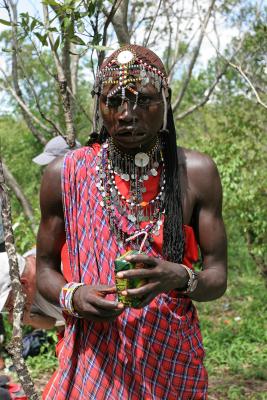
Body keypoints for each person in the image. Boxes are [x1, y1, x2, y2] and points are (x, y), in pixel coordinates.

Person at [37, 45, 227, 399]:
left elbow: (217, 277)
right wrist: (74, 295)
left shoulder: (197, 173)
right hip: (93, 362)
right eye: (114, 101)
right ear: (99, 105)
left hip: (170, 360)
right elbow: (45, 269)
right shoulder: (64, 174)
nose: (127, 113)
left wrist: (180, 276)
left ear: (165, 100)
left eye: (143, 100)